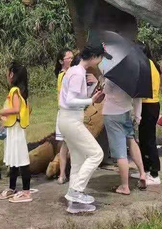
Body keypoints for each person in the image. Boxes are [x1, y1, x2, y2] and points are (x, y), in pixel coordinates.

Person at [57, 44, 107, 214]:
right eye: (100, 58)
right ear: (94, 57)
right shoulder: (78, 73)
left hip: (69, 119)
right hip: (71, 120)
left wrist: (92, 90)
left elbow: (77, 98)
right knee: (96, 154)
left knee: (78, 160)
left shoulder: (75, 71)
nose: (100, 61)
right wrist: (91, 100)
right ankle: (76, 191)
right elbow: (71, 100)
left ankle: (74, 203)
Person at [102, 74, 148, 195]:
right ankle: (142, 173)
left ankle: (124, 186)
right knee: (131, 141)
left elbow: (106, 91)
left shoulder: (113, 74)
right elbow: (138, 98)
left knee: (120, 153)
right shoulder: (134, 75)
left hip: (112, 114)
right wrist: (137, 116)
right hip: (126, 112)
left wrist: (102, 82)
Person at [0, 62, 33, 203]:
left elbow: (16, 109)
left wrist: (2, 112)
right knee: (14, 159)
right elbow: (28, 109)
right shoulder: (22, 92)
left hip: (16, 130)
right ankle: (12, 188)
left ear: (12, 74)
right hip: (15, 128)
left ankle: (26, 191)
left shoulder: (14, 91)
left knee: (21, 159)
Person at [134, 42, 161, 185]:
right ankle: (145, 170)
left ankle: (154, 174)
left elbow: (139, 90)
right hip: (150, 105)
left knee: (149, 140)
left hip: (148, 105)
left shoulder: (145, 66)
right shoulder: (150, 64)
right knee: (144, 139)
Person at [54, 48, 75, 184]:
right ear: (61, 61)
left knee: (67, 145)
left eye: (73, 57)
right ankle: (64, 174)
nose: (72, 60)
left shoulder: (68, 74)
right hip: (67, 112)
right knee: (67, 145)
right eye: (69, 58)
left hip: (66, 112)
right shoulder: (64, 75)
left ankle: (64, 174)